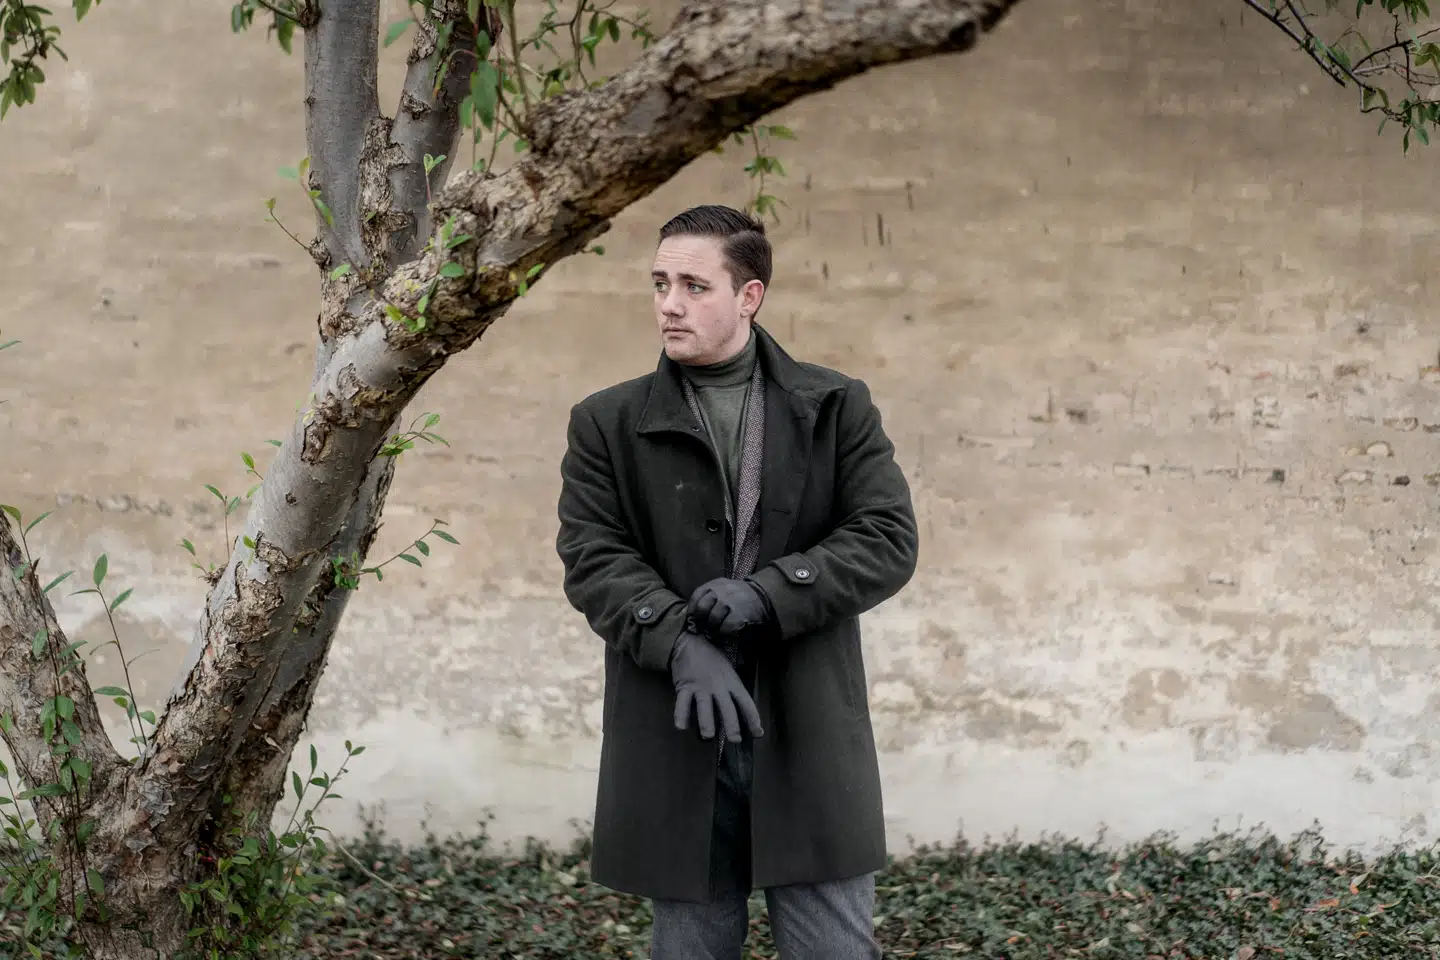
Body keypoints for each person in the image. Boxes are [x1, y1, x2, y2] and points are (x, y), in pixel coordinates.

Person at [555, 203, 918, 959]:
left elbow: (886, 538)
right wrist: (679, 642)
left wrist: (768, 593)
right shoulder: (606, 422)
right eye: (660, 283)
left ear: (749, 295)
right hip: (679, 726)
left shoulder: (835, 406)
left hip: (809, 727)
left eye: (694, 286)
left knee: (833, 951)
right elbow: (593, 555)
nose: (669, 304)